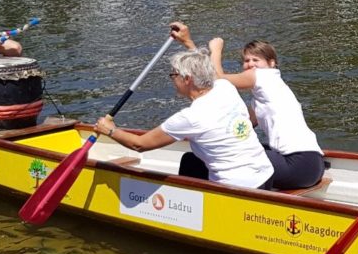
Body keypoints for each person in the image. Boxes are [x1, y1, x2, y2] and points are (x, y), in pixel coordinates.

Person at [168, 22, 324, 190]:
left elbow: (215, 79)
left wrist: (216, 50)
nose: (250, 64)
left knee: (197, 162)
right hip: (313, 165)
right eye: (246, 60)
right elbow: (236, 126)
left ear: (272, 64)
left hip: (298, 164)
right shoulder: (266, 97)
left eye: (256, 60)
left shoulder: (264, 76)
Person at [95, 45, 274, 190]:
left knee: (191, 161)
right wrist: (187, 42)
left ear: (187, 79)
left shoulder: (189, 117)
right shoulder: (225, 87)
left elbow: (139, 144)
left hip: (239, 188)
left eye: (174, 75)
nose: (172, 79)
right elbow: (208, 71)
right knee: (190, 161)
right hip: (267, 175)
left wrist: (110, 130)